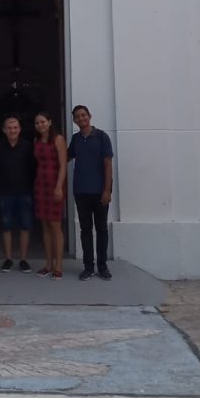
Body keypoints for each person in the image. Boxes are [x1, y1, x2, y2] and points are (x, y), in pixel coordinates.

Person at [68, 104, 113, 281]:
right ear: (74, 120)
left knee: (101, 230)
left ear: (89, 116)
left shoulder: (102, 137)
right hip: (81, 192)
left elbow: (108, 164)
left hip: (100, 192)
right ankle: (88, 267)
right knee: (85, 230)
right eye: (77, 117)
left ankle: (102, 266)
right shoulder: (76, 139)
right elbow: (66, 156)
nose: (81, 118)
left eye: (83, 115)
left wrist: (107, 190)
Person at [0, 116, 35, 273]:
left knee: (25, 226)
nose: (12, 130)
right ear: (4, 130)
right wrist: (2, 171)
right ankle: (8, 259)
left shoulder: (28, 146)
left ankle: (23, 259)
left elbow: (33, 167)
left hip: (25, 191)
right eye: (9, 128)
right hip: (5, 191)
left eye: (15, 127)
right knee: (6, 226)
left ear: (20, 129)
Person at [33, 111, 67, 279]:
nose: (40, 125)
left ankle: (58, 266)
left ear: (50, 122)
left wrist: (59, 186)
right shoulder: (37, 141)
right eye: (37, 123)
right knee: (45, 225)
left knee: (55, 226)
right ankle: (48, 264)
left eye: (43, 122)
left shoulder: (58, 139)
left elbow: (63, 165)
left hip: (55, 185)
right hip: (41, 185)